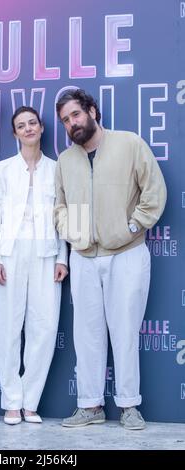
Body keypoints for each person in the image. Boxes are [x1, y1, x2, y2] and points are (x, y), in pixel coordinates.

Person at [55, 89, 167, 430]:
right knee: (85, 334)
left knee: (125, 331)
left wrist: (132, 225)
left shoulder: (129, 144)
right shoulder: (65, 160)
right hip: (84, 257)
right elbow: (59, 206)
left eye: (75, 115)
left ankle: (129, 405)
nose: (71, 124)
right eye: (65, 120)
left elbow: (154, 191)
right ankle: (90, 406)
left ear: (91, 111)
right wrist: (75, 234)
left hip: (127, 253)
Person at [0, 106, 68, 425]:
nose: (28, 128)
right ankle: (11, 402)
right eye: (21, 125)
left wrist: (63, 257)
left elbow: (64, 216)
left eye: (32, 123)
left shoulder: (57, 168)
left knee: (44, 328)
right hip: (8, 253)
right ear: (15, 133)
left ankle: (30, 402)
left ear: (41, 128)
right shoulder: (3, 169)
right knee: (7, 327)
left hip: (46, 254)